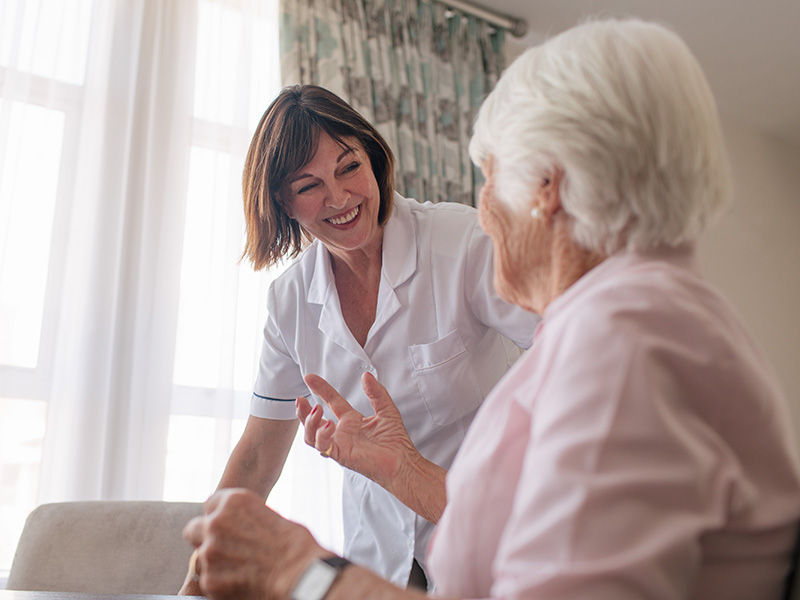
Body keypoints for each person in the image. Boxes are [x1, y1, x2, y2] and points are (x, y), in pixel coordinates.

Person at [182, 19, 800, 600]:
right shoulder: (612, 325)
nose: (483, 208)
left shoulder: (626, 341)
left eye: (490, 175)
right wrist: (399, 467)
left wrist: (300, 574)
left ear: (546, 188)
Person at [178, 85, 540, 594]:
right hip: (379, 554)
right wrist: (193, 580)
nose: (341, 197)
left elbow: (569, 347)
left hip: (483, 533)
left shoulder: (463, 245)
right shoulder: (290, 302)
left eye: (349, 167)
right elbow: (260, 453)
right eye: (310, 186)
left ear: (373, 158)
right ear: (282, 201)